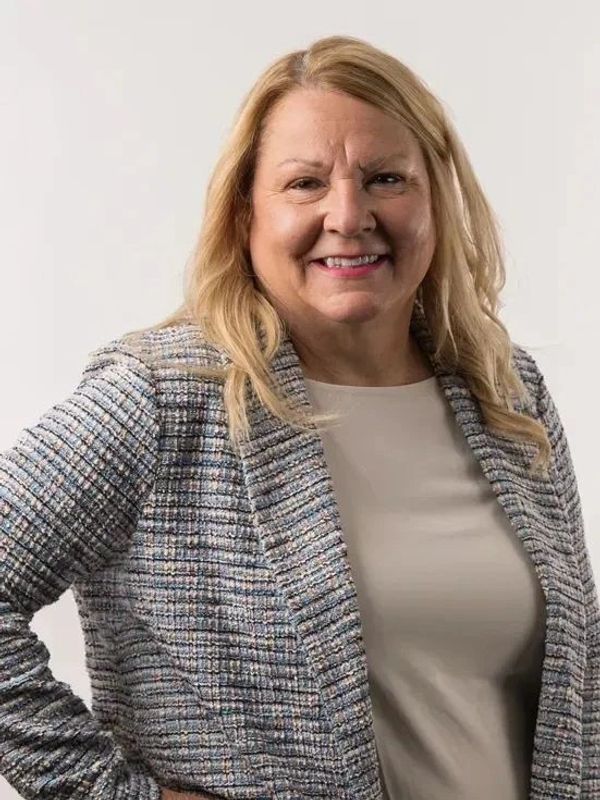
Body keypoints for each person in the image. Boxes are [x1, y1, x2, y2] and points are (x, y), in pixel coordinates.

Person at [0, 33, 598, 800]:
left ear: (436, 199)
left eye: (386, 178)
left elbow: (579, 690)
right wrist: (108, 794)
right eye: (305, 183)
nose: (348, 215)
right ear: (246, 211)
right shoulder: (166, 400)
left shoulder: (506, 393)